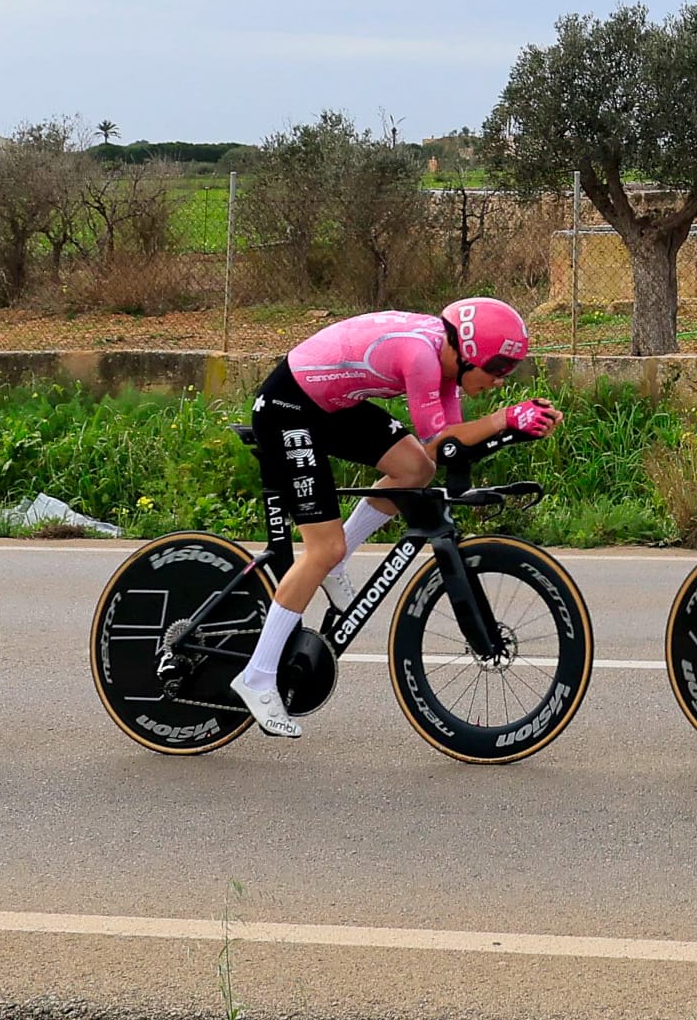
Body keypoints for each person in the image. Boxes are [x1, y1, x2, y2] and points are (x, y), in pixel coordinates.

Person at [231, 297, 563, 738]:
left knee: (415, 470)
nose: (501, 379)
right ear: (468, 353)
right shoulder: (422, 357)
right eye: (498, 367)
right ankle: (256, 677)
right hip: (287, 408)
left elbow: (445, 449)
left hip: (329, 406)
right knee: (322, 549)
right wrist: (504, 419)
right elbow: (441, 439)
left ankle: (337, 563)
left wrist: (511, 430)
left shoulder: (447, 363)